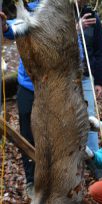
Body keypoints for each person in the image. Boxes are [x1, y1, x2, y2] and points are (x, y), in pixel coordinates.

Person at [1, 0, 40, 198]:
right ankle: (31, 182)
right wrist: (5, 26)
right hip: (27, 86)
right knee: (27, 134)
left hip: (52, 87)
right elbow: (15, 28)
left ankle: (50, 178)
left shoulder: (60, 9)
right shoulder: (30, 7)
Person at [77, 0, 102, 154]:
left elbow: (100, 50)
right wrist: (77, 28)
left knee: (90, 116)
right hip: (66, 78)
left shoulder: (93, 18)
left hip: (86, 76)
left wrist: (100, 81)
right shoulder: (62, 15)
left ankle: (94, 156)